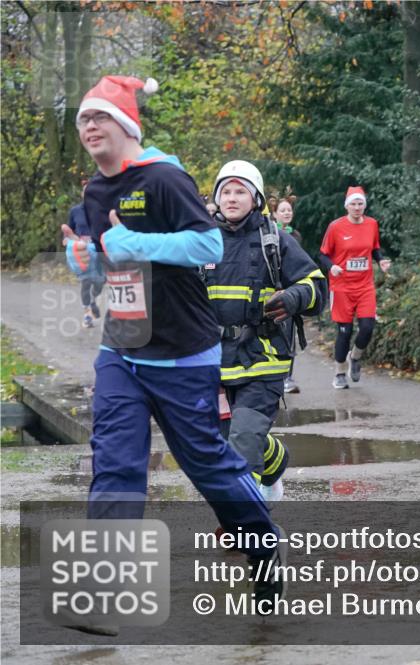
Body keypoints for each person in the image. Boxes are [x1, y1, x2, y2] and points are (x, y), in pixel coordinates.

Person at [61, 76, 286, 630]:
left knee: (206, 464)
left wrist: (136, 243)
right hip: (123, 349)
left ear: (126, 125)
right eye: (83, 120)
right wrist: (84, 259)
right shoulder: (95, 191)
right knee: (114, 464)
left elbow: (207, 244)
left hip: (184, 353)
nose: (89, 127)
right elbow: (110, 264)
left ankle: (263, 548)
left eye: (100, 117)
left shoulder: (164, 179)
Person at [205, 161, 325, 502]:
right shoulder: (203, 242)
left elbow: (317, 286)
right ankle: (275, 459)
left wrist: (292, 298)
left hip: (264, 360)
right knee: (225, 444)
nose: (231, 198)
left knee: (242, 442)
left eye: (240, 191)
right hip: (215, 364)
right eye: (225, 191)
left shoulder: (274, 241)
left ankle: (242, 521)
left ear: (255, 198)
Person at [318, 186, 391, 389]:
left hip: (365, 285)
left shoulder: (371, 224)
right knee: (344, 331)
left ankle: (355, 357)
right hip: (341, 287)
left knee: (367, 327)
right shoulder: (336, 227)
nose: (357, 207)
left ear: (364, 205)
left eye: (360, 204)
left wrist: (381, 261)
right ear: (347, 206)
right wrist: (331, 267)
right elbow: (322, 254)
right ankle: (340, 372)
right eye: (353, 204)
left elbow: (374, 248)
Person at [272, 196, 304, 394]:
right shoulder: (268, 234)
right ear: (274, 214)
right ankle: (274, 376)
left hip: (289, 290)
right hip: (272, 290)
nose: (286, 213)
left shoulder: (296, 236)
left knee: (290, 334)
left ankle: (287, 377)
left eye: (288, 210)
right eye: (282, 210)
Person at [66, 181, 105, 328]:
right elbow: (69, 231)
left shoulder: (102, 210)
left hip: (99, 252)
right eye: (86, 192)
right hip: (82, 253)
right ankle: (87, 313)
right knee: (85, 281)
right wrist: (67, 240)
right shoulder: (75, 211)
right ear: (82, 194)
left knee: (100, 281)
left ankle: (93, 300)